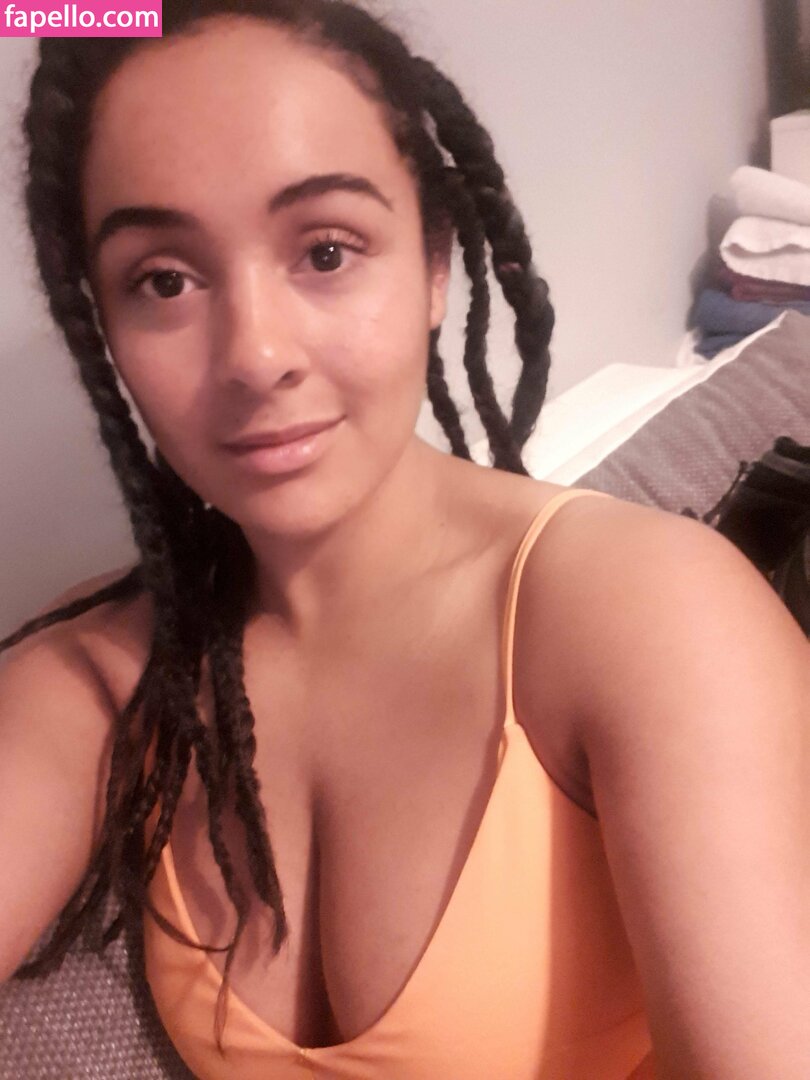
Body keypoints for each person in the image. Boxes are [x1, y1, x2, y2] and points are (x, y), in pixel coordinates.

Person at [0, 2, 807, 1077]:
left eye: (326, 251)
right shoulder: (98, 680)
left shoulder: (647, 612)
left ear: (433, 267)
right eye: (165, 280)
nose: (257, 355)